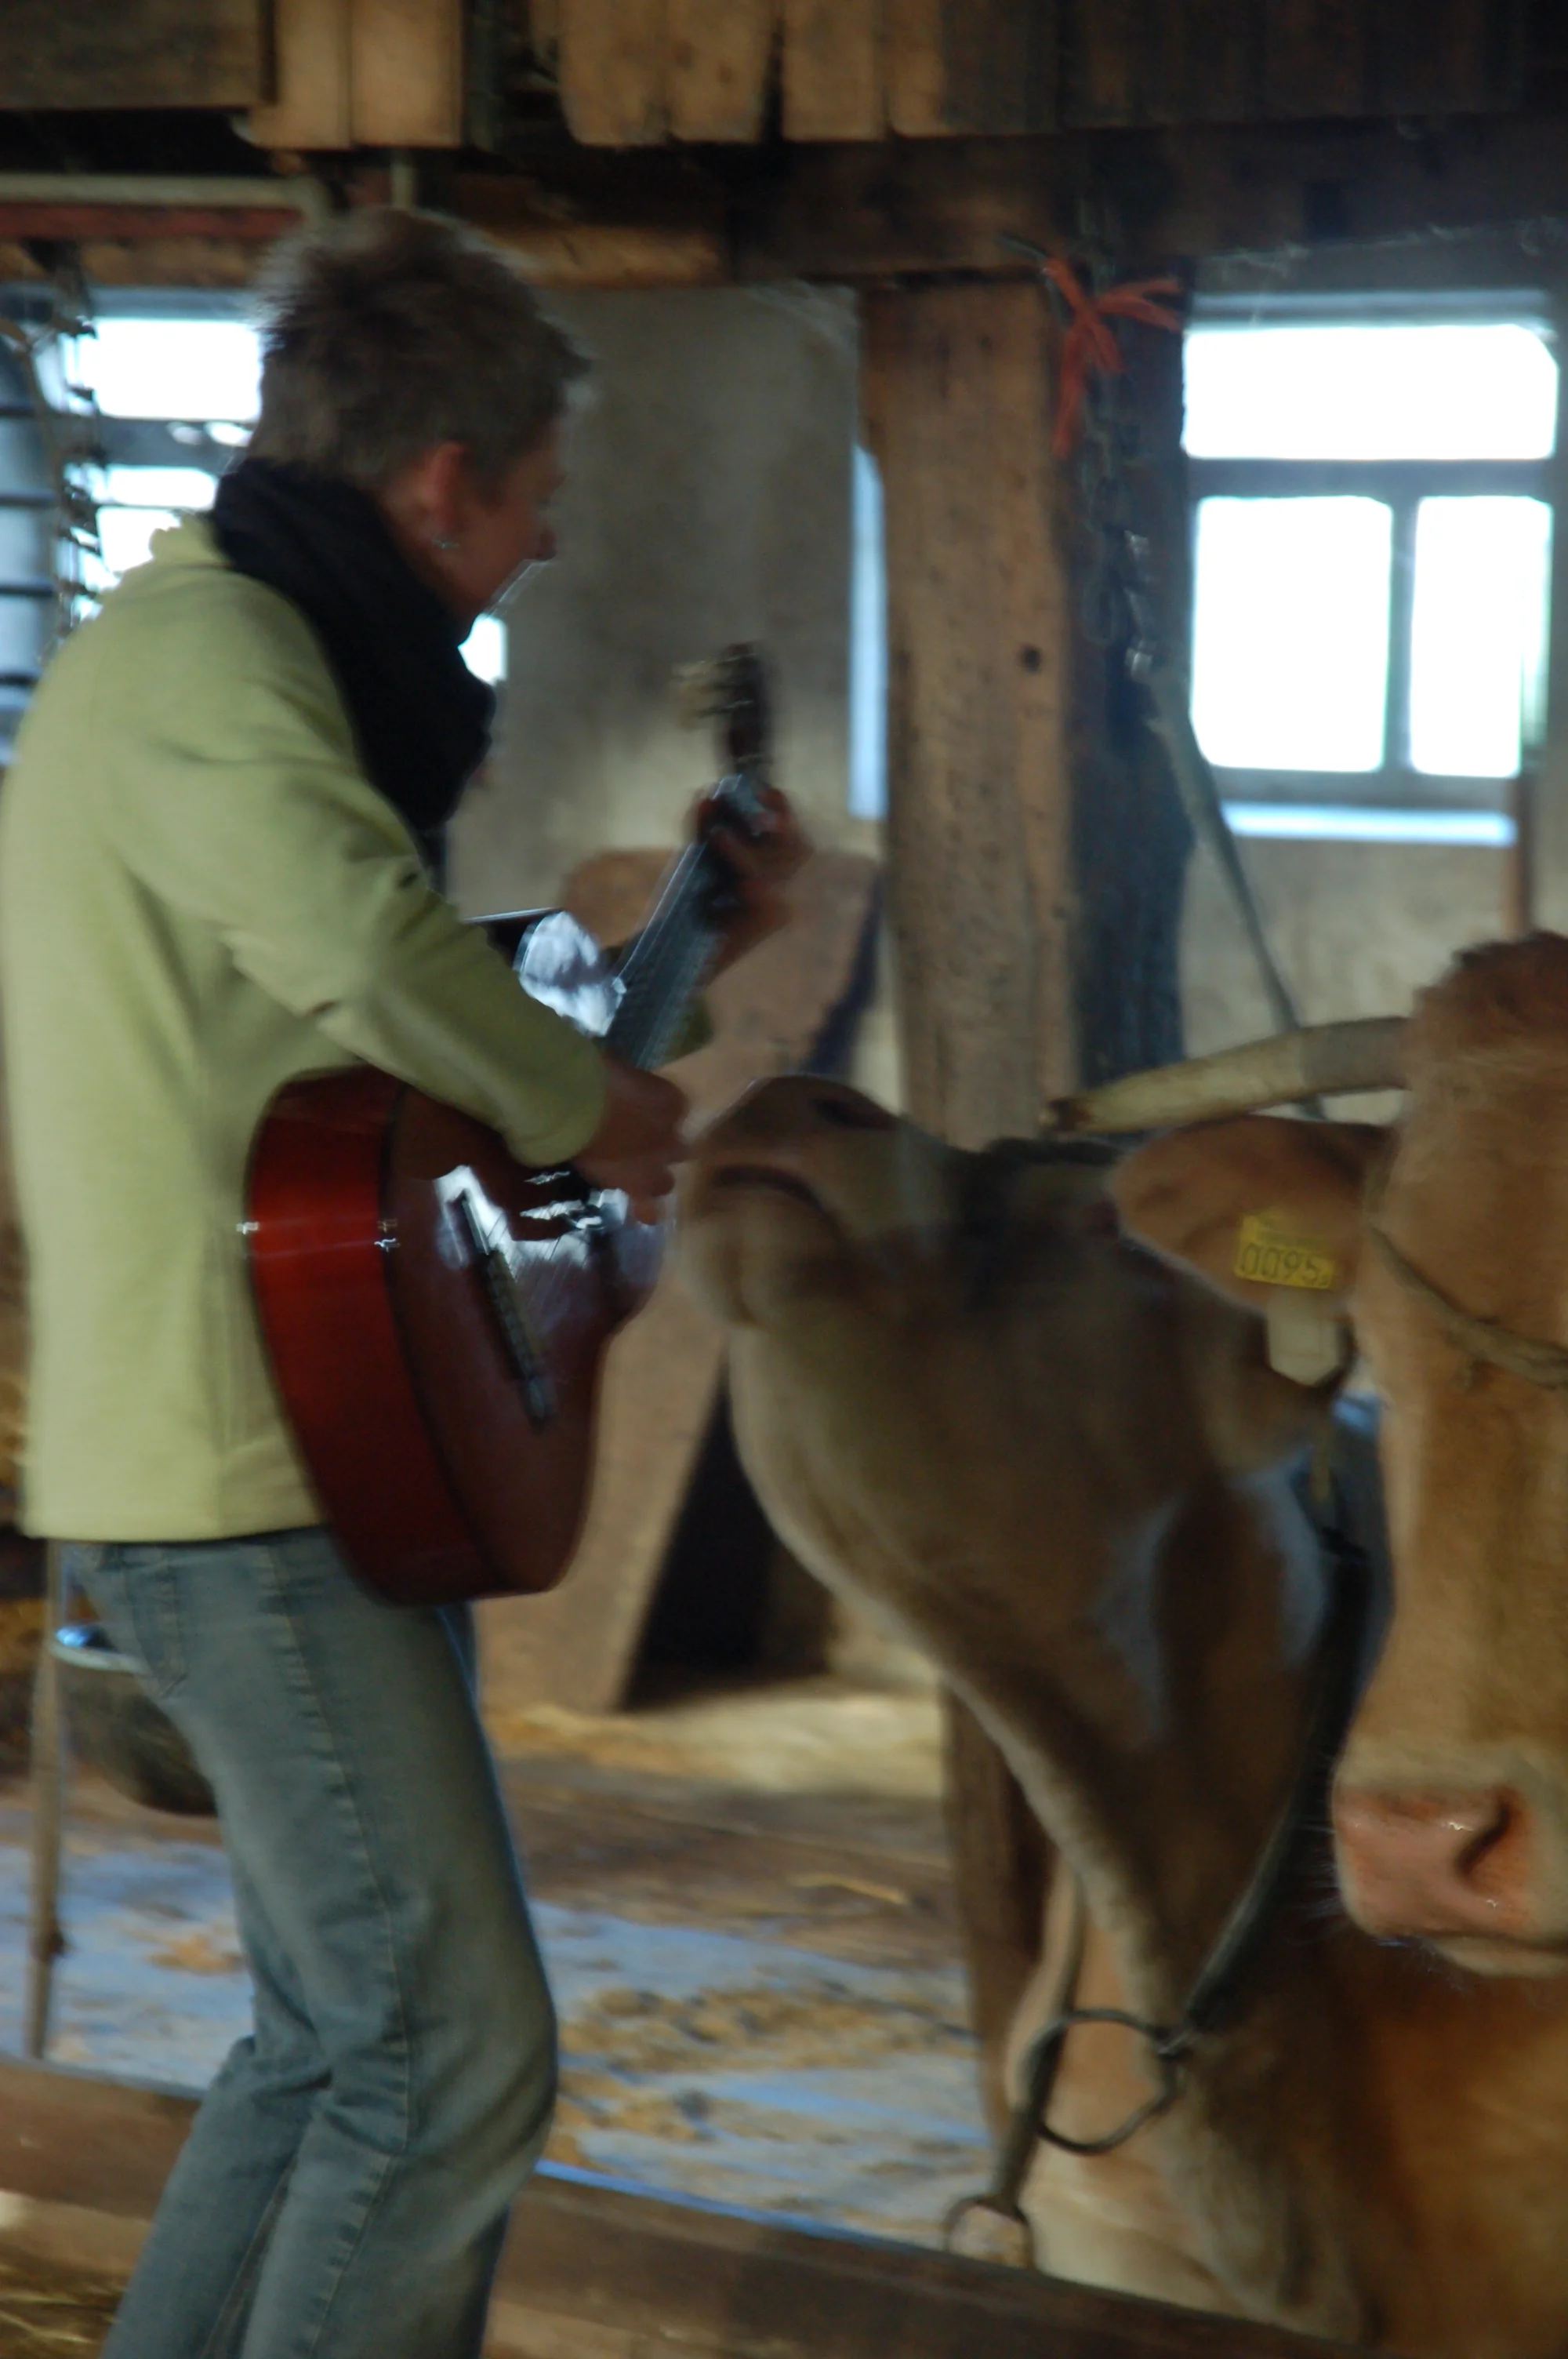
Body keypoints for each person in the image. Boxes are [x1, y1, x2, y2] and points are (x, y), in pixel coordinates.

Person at [0, 209, 808, 2358]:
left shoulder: (254, 664)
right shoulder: (213, 667)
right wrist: (607, 1116)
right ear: (445, 477)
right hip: (245, 1476)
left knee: (323, 2045)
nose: (545, 546)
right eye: (539, 496)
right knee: (452, 2060)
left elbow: (387, 989)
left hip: (296, 1456)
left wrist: (667, 981)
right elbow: (372, 963)